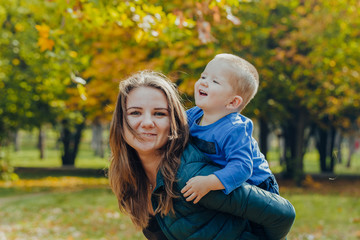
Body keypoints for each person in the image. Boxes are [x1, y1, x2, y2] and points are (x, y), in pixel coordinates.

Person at [108, 70, 295, 240]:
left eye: (159, 114)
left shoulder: (193, 176)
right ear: (120, 122)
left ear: (174, 121)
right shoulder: (129, 175)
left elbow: (282, 215)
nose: (147, 122)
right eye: (135, 113)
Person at [182, 53, 279, 205]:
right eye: (203, 77)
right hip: (227, 179)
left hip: (257, 184)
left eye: (215, 81)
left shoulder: (234, 129)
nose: (204, 83)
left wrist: (209, 182)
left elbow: (242, 167)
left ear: (233, 102)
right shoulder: (193, 115)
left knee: (251, 226)